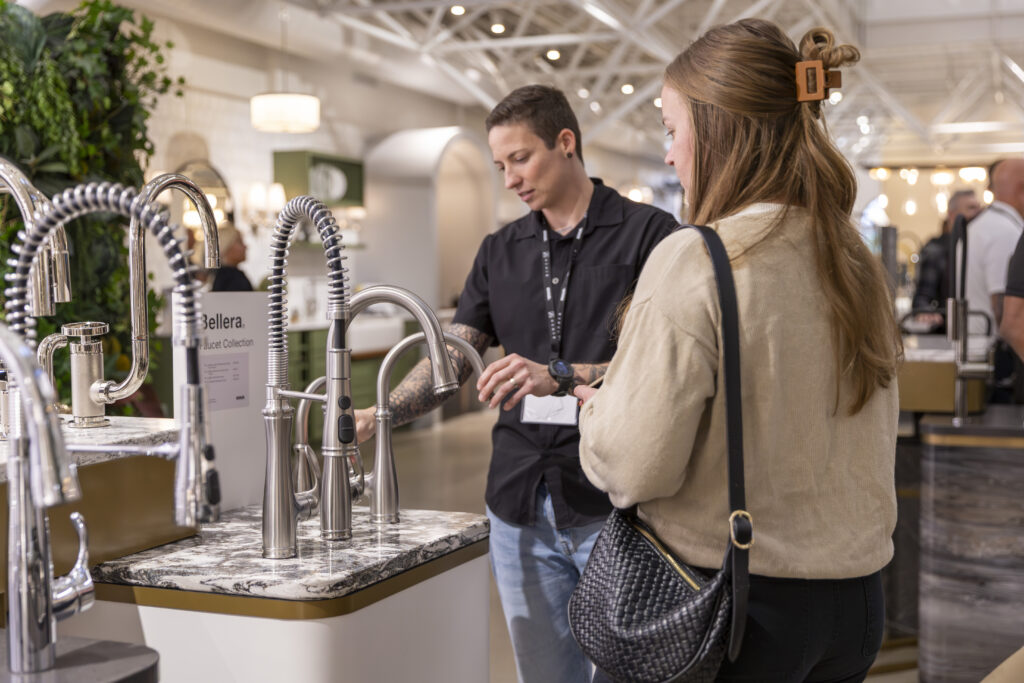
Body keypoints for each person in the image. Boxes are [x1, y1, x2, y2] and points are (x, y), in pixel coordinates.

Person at [576, 20, 901, 682]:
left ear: (720, 129)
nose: (668, 156)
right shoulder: (853, 258)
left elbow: (636, 466)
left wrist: (597, 412)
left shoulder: (699, 256)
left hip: (730, 607)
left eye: (673, 130)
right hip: (856, 601)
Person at [352, 84, 677, 682]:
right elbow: (452, 357)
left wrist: (556, 375)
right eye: (500, 165)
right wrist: (383, 413)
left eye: (520, 159)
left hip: (619, 505)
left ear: (566, 142)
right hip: (519, 503)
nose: (509, 180)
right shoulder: (500, 251)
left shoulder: (649, 235)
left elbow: (666, 368)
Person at [963, 159, 1024, 336]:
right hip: (992, 347)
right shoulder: (1005, 231)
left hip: (976, 340)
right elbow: (1002, 305)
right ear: (1021, 189)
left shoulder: (981, 225)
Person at [912, 189, 982, 331]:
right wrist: (925, 312)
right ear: (952, 215)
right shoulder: (935, 249)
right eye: (971, 208)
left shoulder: (980, 247)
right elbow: (922, 297)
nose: (977, 214)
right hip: (946, 336)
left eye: (978, 208)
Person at [211, 221, 253, 291]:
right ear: (225, 246)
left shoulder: (218, 276)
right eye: (240, 242)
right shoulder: (231, 278)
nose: (245, 246)